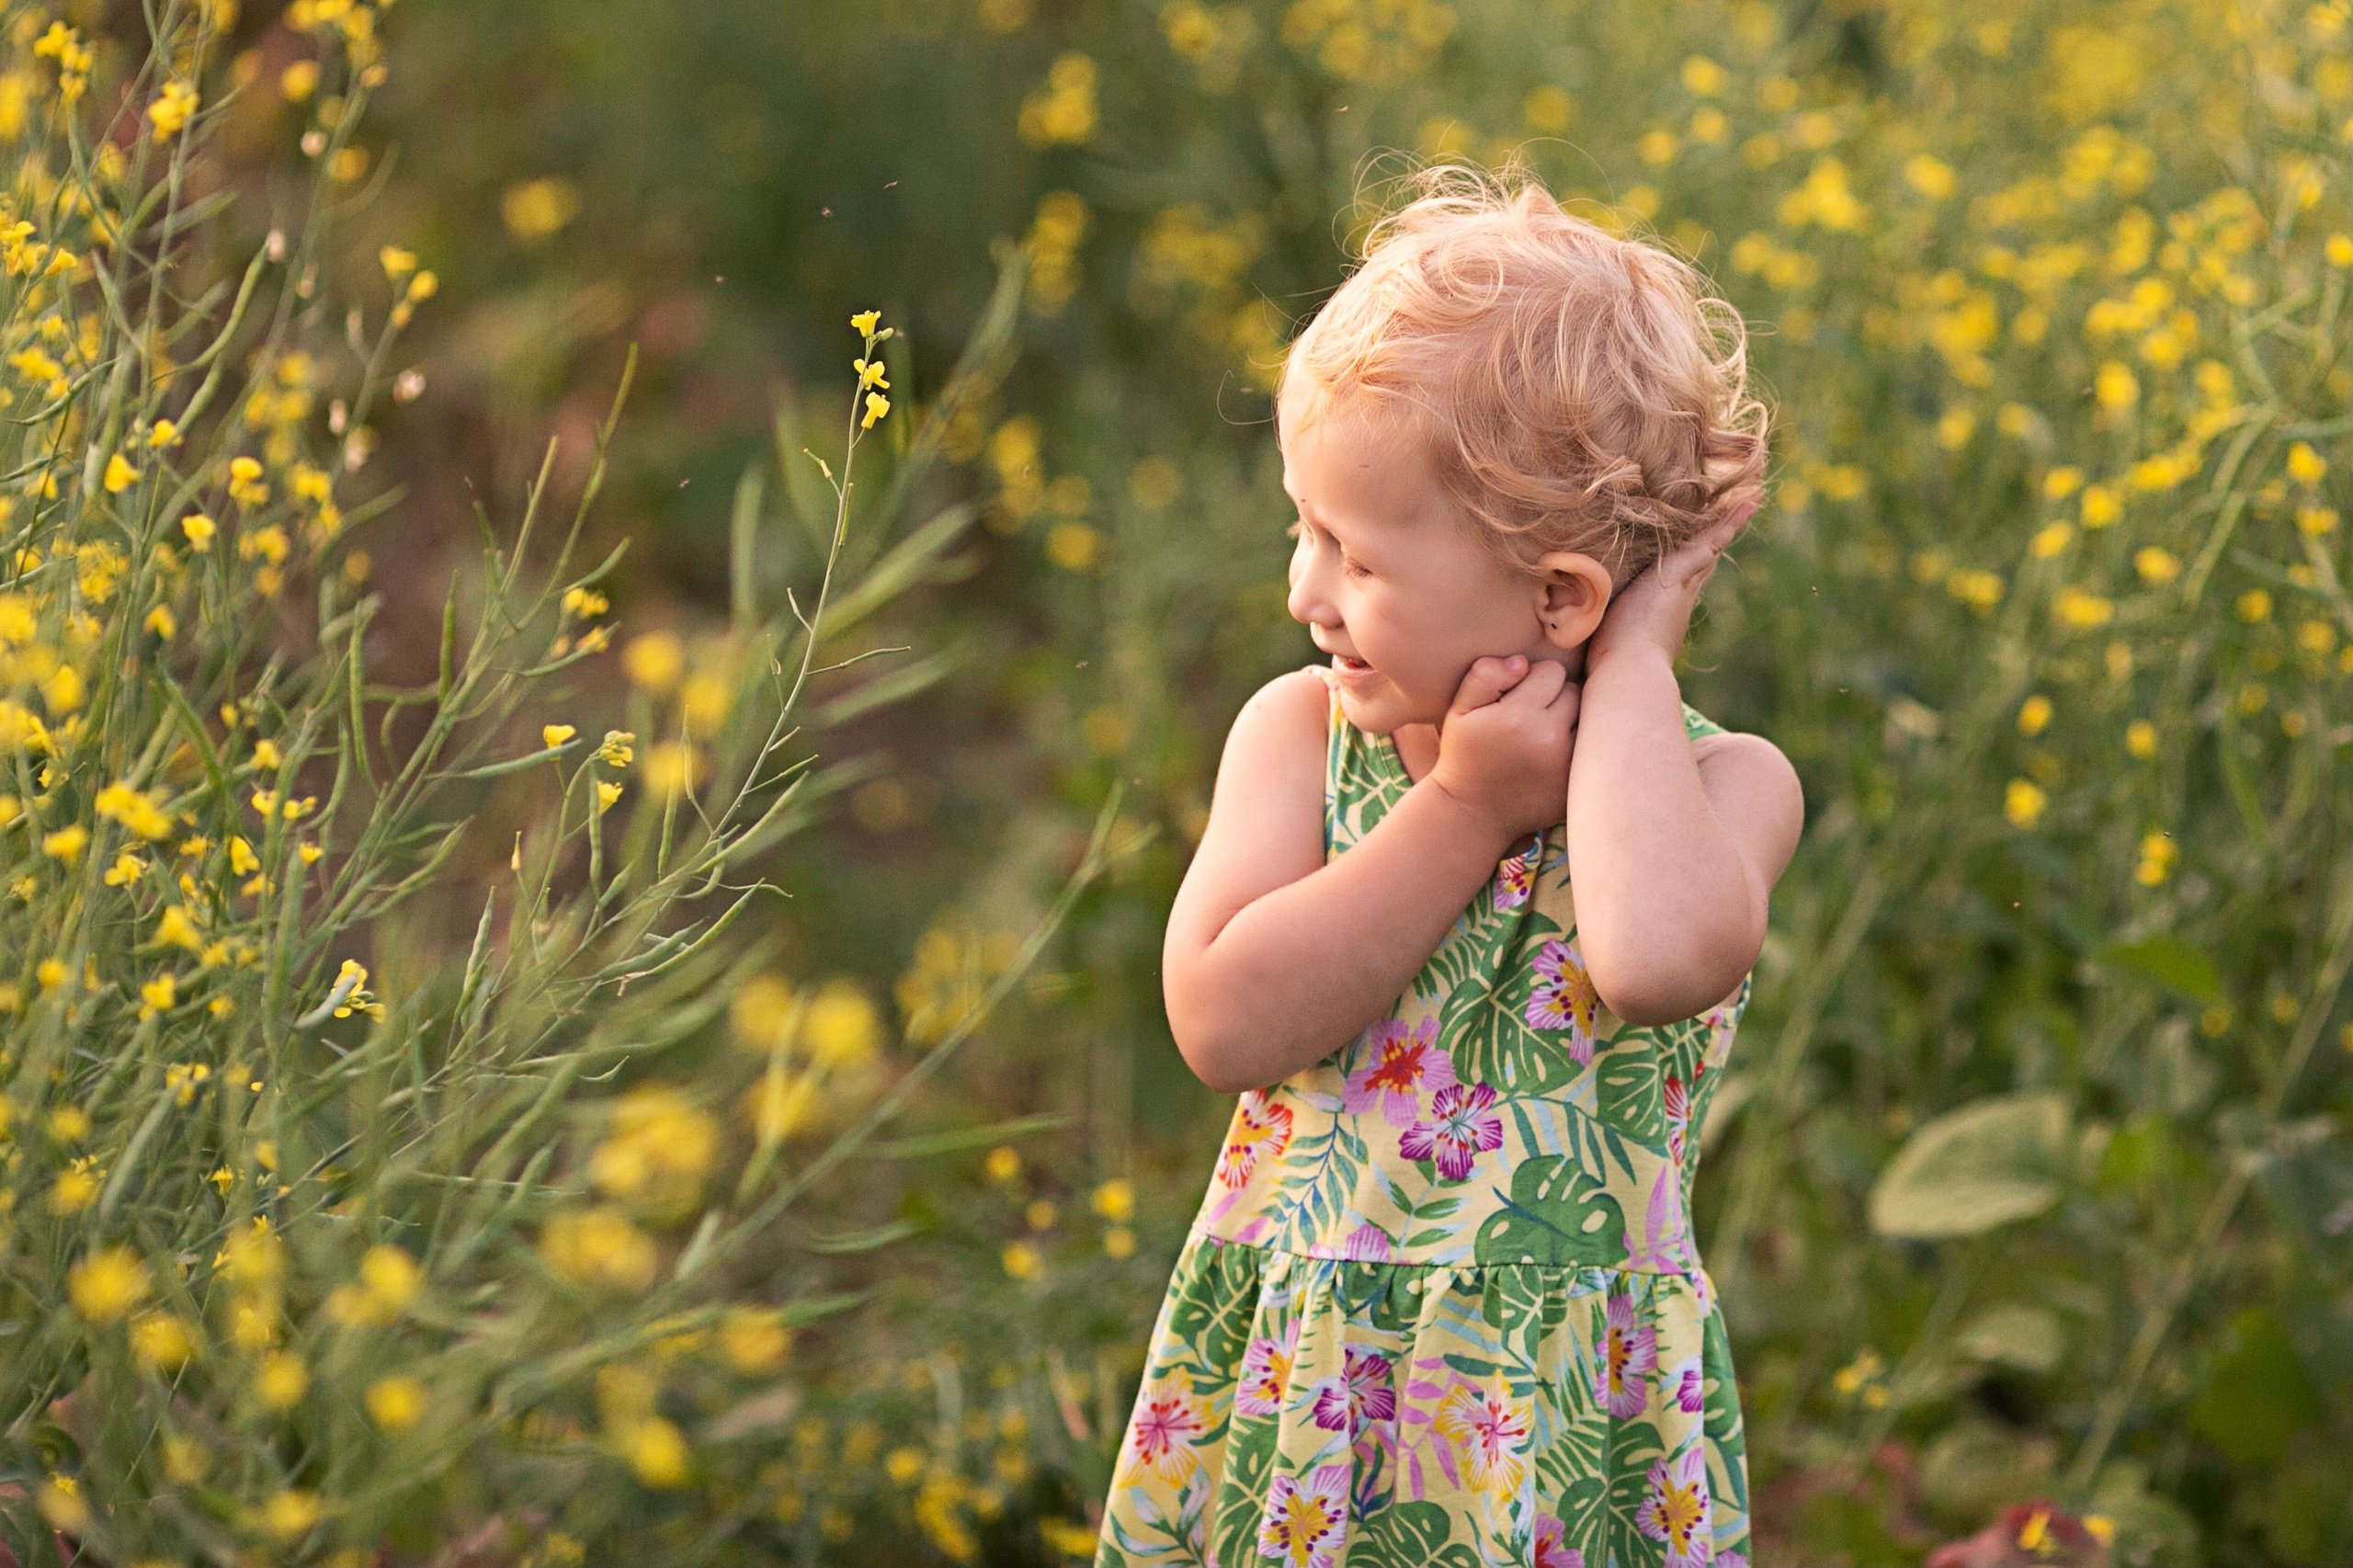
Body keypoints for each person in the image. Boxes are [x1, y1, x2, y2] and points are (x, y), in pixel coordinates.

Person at [1095, 166, 1805, 1568]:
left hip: (1551, 1424)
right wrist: (1465, 811)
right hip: (1317, 1400)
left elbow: (1655, 959)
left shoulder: (1728, 785)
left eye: (1353, 556)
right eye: (1303, 528)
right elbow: (1223, 1022)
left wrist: (1638, 657)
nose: (1304, 591)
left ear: (1561, 595)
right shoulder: (1298, 738)